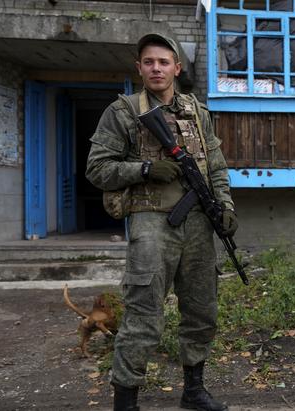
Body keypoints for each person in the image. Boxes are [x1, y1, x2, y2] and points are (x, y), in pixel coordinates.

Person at [86, 33, 236, 411]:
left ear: (177, 68)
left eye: (164, 62)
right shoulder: (123, 112)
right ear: (139, 67)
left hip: (200, 223)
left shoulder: (197, 111)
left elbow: (215, 166)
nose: (156, 68)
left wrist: (226, 206)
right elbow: (97, 169)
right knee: (143, 313)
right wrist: (146, 168)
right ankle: (126, 401)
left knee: (202, 309)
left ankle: (194, 391)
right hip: (152, 223)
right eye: (149, 62)